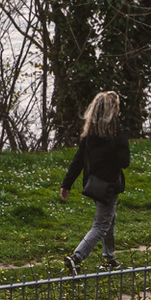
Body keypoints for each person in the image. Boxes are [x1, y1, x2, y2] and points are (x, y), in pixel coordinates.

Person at [58, 90, 130, 274]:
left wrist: (66, 184)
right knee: (101, 224)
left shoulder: (89, 135)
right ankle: (77, 257)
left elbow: (78, 160)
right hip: (109, 186)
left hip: (94, 184)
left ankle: (109, 259)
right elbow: (125, 162)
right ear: (112, 111)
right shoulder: (116, 134)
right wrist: (122, 142)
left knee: (109, 219)